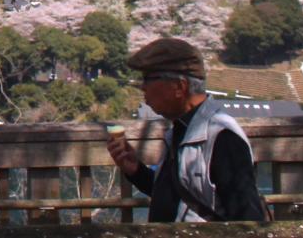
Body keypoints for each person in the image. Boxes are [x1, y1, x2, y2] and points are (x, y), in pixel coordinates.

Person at [104, 36, 269, 222]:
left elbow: (247, 219)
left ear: (179, 87)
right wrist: (136, 170)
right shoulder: (180, 128)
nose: (143, 87)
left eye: (149, 79)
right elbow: (179, 196)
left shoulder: (222, 137)